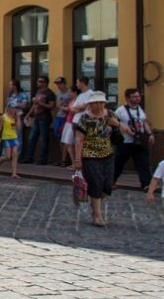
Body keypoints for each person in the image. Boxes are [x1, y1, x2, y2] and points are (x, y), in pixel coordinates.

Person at [73, 91, 122, 227]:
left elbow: (123, 130)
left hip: (107, 153)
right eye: (95, 102)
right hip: (90, 155)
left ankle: (95, 206)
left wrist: (116, 124)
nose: (98, 105)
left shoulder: (111, 115)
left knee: (107, 184)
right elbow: (78, 139)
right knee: (96, 183)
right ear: (90, 104)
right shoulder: (85, 118)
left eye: (101, 102)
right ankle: (97, 214)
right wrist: (78, 159)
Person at [113, 87, 155, 189]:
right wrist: (125, 128)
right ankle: (110, 181)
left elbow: (144, 122)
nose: (137, 98)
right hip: (125, 142)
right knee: (118, 163)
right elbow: (113, 122)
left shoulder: (139, 109)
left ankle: (146, 184)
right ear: (127, 98)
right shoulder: (120, 110)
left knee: (143, 163)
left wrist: (150, 134)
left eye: (138, 96)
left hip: (139, 141)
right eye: (134, 97)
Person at [21, 76, 56, 165]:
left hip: (44, 118)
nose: (38, 83)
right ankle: (29, 157)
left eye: (40, 81)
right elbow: (34, 105)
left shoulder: (50, 93)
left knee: (43, 139)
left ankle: (43, 159)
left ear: (45, 83)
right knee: (32, 138)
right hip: (36, 117)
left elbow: (52, 106)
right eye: (38, 81)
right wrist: (28, 115)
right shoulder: (38, 92)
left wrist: (41, 103)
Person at [0, 104, 22, 178]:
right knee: (8, 156)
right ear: (8, 108)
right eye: (13, 107)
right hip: (6, 138)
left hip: (14, 137)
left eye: (15, 108)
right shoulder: (3, 117)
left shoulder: (15, 117)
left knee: (15, 155)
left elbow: (19, 127)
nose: (14, 109)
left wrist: (18, 117)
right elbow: (0, 128)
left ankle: (14, 173)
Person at [53, 78, 73, 166]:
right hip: (59, 116)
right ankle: (62, 157)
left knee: (65, 138)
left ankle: (64, 159)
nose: (58, 86)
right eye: (57, 84)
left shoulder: (69, 93)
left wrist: (65, 106)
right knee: (59, 137)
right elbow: (57, 106)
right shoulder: (57, 94)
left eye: (60, 84)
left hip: (67, 118)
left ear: (65, 84)